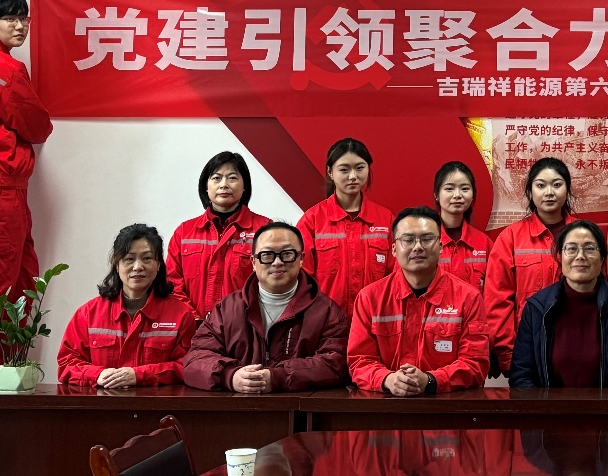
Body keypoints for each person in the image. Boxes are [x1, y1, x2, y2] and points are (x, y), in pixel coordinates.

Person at [183, 221, 350, 392]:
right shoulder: (227, 310)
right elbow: (195, 359)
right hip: (237, 406)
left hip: (300, 406)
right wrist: (230, 376)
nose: (277, 262)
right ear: (253, 262)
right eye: (267, 255)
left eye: (287, 254)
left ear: (301, 259)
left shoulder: (327, 312)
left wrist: (278, 378)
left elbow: (335, 364)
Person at [348, 205, 489, 394]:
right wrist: (388, 379)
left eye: (427, 239)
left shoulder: (468, 298)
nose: (418, 247)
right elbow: (359, 361)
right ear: (394, 249)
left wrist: (431, 380)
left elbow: (475, 363)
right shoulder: (369, 298)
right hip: (386, 406)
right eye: (408, 240)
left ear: (440, 247)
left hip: (447, 406)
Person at [509, 219, 608, 389]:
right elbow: (521, 377)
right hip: (548, 406)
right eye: (571, 249)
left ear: (602, 258)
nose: (580, 256)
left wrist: (604, 404)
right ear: (559, 257)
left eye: (589, 248)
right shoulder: (537, 309)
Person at [57, 223, 198, 387]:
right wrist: (97, 375)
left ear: (159, 264)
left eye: (147, 258)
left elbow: (187, 365)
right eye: (129, 259)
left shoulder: (181, 315)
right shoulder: (88, 314)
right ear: (116, 264)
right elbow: (67, 363)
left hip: (154, 402)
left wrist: (140, 375)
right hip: (102, 401)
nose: (138, 267)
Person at [484, 157, 576, 373]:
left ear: (567, 189)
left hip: (576, 348)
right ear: (530, 191)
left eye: (557, 184)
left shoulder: (584, 235)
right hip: (527, 352)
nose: (549, 192)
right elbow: (497, 301)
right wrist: (508, 355)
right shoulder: (510, 238)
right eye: (541, 185)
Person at [166, 151, 272, 317]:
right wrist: (195, 320)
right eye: (216, 178)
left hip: (246, 327)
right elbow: (172, 284)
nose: (224, 184)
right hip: (193, 328)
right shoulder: (184, 233)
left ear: (244, 186)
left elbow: (273, 282)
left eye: (232, 178)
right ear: (205, 186)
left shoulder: (265, 230)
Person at [297, 138, 394, 315]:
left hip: (374, 319)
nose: (353, 176)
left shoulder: (385, 219)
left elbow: (396, 274)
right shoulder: (312, 220)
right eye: (344, 169)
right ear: (330, 172)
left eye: (360, 168)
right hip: (326, 321)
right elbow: (301, 278)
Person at [0, 0, 52, 303]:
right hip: (6, 188)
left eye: (24, 18)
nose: (20, 26)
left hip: (10, 186)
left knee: (19, 275)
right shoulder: (7, 70)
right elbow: (37, 126)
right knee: (12, 279)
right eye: (10, 19)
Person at [434, 160, 492, 291]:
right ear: (436, 194)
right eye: (449, 189)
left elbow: (494, 293)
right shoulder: (424, 240)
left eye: (465, 189)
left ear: (473, 195)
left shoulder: (484, 243)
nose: (457, 195)